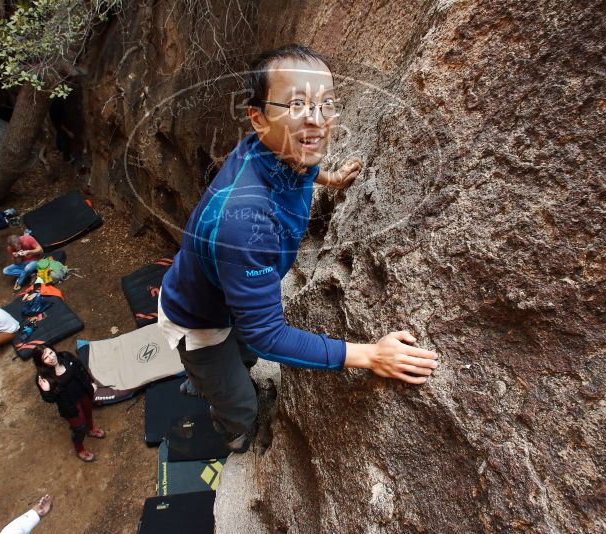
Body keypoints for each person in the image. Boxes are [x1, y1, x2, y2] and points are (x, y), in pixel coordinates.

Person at [158, 44, 439, 453]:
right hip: (196, 317)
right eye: (296, 104)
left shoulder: (278, 148)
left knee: (241, 358)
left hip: (218, 287)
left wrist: (330, 179)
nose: (316, 119)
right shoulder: (244, 222)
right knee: (240, 404)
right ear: (257, 117)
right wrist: (371, 356)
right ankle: (224, 414)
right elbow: (267, 336)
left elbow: (301, 164)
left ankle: (210, 376)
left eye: (326, 104)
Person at [32, 345, 106, 462]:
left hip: (83, 393)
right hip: (70, 405)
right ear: (41, 362)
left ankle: (91, 429)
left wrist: (91, 382)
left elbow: (81, 369)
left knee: (88, 412)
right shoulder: (43, 378)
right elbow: (49, 399)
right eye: (46, 357)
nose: (51, 358)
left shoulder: (66, 357)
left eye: (51, 353)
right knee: (79, 428)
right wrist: (48, 390)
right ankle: (80, 449)